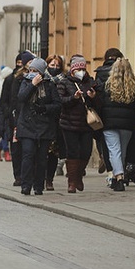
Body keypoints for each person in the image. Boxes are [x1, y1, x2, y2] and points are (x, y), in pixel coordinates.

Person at [16, 57, 62, 195]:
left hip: (44, 127)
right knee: (28, 155)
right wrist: (32, 85)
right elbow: (21, 97)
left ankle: (38, 186)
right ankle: (26, 185)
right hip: (27, 125)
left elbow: (58, 105)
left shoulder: (49, 84)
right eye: (30, 70)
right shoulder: (25, 82)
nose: (31, 73)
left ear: (41, 72)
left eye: (35, 70)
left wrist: (44, 108)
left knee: (42, 159)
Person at [97, 58, 135, 192]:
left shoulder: (107, 85)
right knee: (122, 151)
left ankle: (119, 177)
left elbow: (101, 104)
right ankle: (120, 175)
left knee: (114, 151)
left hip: (110, 123)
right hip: (127, 125)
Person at [56, 54, 97, 193]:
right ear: (72, 70)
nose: (81, 72)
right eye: (78, 69)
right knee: (72, 152)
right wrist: (74, 98)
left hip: (86, 124)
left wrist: (93, 98)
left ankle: (79, 175)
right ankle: (72, 182)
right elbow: (61, 101)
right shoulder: (65, 82)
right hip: (69, 124)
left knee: (86, 152)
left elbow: (98, 104)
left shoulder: (90, 82)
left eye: (83, 69)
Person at [1, 51, 35, 185]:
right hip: (15, 118)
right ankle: (18, 175)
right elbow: (7, 100)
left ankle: (27, 175)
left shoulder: (36, 77)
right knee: (16, 149)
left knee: (28, 150)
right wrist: (9, 115)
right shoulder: (12, 79)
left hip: (29, 119)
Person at [93, 47, 124, 174]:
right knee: (122, 146)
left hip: (105, 112)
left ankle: (108, 164)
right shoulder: (124, 71)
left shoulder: (100, 72)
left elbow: (98, 92)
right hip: (124, 113)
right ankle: (120, 171)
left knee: (108, 143)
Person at [44, 54, 67, 190]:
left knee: (53, 153)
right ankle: (40, 177)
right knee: (41, 152)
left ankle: (49, 180)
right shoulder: (41, 80)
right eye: (52, 65)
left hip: (58, 122)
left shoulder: (64, 80)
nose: (55, 68)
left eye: (57, 66)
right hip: (42, 121)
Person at [0, 65, 13, 161]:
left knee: (6, 132)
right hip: (2, 109)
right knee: (4, 132)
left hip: (6, 108)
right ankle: (6, 151)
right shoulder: (0, 83)